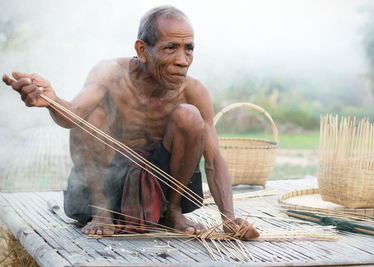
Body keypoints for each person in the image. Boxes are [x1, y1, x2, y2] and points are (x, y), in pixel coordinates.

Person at [2, 5, 259, 239]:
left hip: (166, 190)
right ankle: (101, 211)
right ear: (142, 50)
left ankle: (173, 212)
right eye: (171, 47)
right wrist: (52, 100)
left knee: (190, 116)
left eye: (188, 48)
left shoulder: (194, 91)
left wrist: (229, 219)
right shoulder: (110, 73)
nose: (182, 60)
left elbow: (213, 159)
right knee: (91, 114)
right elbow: (73, 115)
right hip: (102, 189)